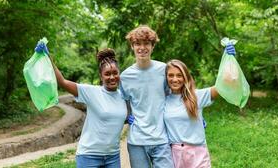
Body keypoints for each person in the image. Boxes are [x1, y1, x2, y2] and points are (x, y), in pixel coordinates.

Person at [35, 43, 127, 168]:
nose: (112, 77)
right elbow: (62, 81)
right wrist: (47, 57)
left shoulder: (124, 95)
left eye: (115, 73)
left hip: (113, 156)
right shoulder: (92, 92)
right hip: (89, 156)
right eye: (107, 74)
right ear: (101, 76)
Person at [163, 45, 236, 168]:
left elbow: (226, 82)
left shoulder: (196, 96)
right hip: (175, 154)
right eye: (171, 75)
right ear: (166, 77)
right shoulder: (163, 100)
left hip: (197, 153)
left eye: (179, 75)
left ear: (185, 77)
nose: (175, 79)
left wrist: (229, 59)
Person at [120, 25, 174, 168]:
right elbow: (122, 102)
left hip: (162, 139)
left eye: (146, 43)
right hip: (137, 141)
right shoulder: (125, 77)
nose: (142, 48)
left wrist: (195, 116)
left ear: (152, 46)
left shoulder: (164, 70)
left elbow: (175, 96)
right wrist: (128, 115)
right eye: (137, 44)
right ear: (132, 46)